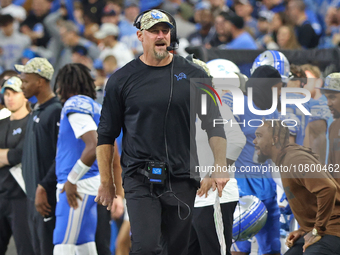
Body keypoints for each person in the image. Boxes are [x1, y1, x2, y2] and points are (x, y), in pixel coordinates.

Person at [95, 9, 228, 255]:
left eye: (165, 31)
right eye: (154, 31)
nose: (161, 35)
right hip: (139, 178)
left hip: (182, 179)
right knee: (146, 247)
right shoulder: (120, 80)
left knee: (176, 250)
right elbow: (105, 135)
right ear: (140, 35)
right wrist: (106, 182)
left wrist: (220, 164)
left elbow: (214, 123)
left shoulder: (196, 75)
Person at [253, 120, 340, 254]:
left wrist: (317, 230)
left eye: (259, 136)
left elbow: (328, 189)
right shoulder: (285, 159)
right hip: (321, 230)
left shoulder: (294, 159)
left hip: (333, 231)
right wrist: (303, 229)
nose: (254, 141)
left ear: (274, 139)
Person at [227, 65, 282, 255]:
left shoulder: (273, 111)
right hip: (241, 185)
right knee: (240, 245)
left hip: (267, 185)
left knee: (272, 247)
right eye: (277, 88)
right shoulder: (237, 105)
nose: (280, 93)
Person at [52, 63, 100, 254]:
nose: (57, 90)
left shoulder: (75, 104)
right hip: (89, 180)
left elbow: (94, 145)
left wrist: (72, 179)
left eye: (59, 84)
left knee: (62, 245)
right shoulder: (94, 106)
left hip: (78, 182)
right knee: (84, 245)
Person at [18, 57, 62, 255]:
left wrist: (44, 186)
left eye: (26, 81)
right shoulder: (38, 110)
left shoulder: (55, 111)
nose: (22, 85)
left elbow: (60, 156)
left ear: (40, 82)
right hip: (32, 198)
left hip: (46, 198)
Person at [0, 76, 34, 255]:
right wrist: (9, 155)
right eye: (6, 93)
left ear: (25, 95)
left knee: (26, 249)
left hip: (22, 198)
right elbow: (13, 155)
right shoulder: (1, 123)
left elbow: (18, 155)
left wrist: (9, 155)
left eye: (14, 93)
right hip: (1, 195)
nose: (9, 97)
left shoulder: (32, 123)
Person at [320, 73, 340, 184]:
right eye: (327, 98)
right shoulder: (333, 127)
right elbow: (331, 168)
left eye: (332, 97)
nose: (328, 103)